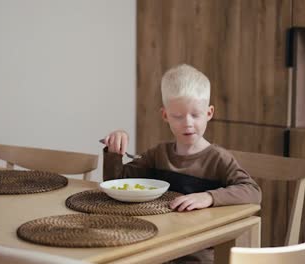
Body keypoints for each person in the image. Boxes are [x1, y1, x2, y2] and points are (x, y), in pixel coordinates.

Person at [102, 64, 261, 263]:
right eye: (178, 116)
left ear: (209, 113)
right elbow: (116, 182)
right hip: (155, 247)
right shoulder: (159, 155)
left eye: (195, 115)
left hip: (198, 255)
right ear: (165, 116)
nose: (187, 123)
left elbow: (253, 192)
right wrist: (114, 151)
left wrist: (209, 197)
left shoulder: (218, 159)